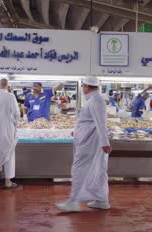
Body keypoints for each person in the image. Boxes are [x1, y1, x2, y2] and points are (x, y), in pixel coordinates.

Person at [56, 76, 112, 212]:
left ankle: (74, 202)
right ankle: (101, 200)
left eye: (83, 86)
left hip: (91, 143)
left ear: (86, 86)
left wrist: (105, 143)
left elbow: (101, 123)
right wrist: (76, 131)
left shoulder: (96, 100)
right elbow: (89, 121)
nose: (82, 88)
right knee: (97, 170)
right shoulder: (94, 99)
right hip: (90, 140)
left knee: (79, 170)